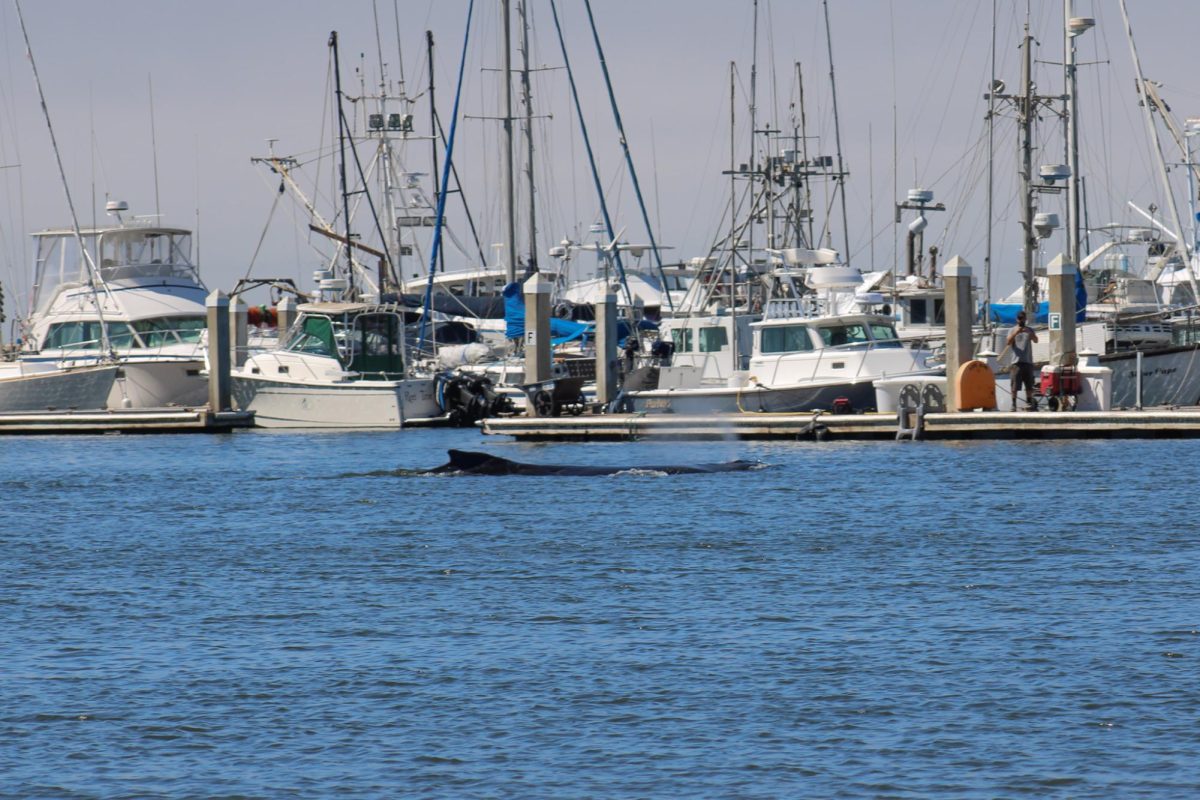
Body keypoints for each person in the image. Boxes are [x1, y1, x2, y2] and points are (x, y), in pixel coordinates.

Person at [1006, 310, 1039, 411]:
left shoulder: (1030, 329)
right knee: (1015, 385)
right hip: (1016, 362)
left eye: (1023, 318)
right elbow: (1008, 342)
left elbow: (1036, 340)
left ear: (1025, 319)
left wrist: (1030, 334)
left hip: (1027, 361)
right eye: (1019, 318)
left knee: (1029, 385)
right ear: (1017, 319)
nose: (1021, 320)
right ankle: (1013, 404)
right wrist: (1016, 332)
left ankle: (1029, 402)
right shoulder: (1012, 330)